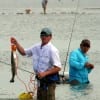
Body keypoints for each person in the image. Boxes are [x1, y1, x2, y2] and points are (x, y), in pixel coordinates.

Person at [11, 27, 62, 100]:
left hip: (49, 83)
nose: (43, 37)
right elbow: (23, 52)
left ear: (50, 37)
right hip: (39, 82)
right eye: (42, 35)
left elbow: (58, 67)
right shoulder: (36, 47)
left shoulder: (53, 50)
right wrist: (16, 43)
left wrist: (44, 73)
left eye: (46, 35)